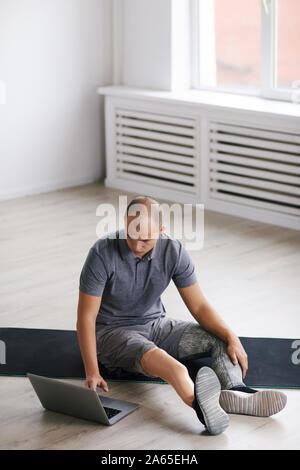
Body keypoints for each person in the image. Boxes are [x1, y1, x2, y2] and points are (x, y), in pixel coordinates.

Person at [76, 195, 287, 435]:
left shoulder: (173, 251)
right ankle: (201, 407)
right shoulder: (102, 252)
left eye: (145, 238)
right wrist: (92, 370)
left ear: (161, 230)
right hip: (112, 333)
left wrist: (231, 335)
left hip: (156, 326)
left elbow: (198, 307)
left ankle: (235, 392)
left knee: (218, 340)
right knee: (175, 369)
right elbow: (86, 317)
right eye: (131, 235)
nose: (136, 245)